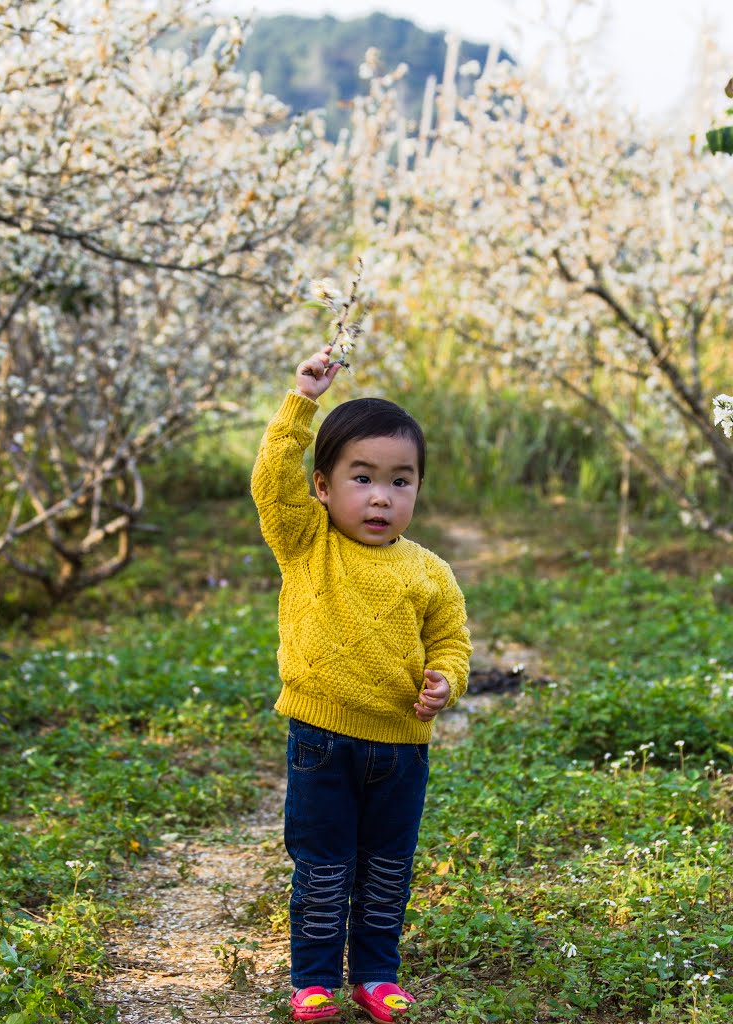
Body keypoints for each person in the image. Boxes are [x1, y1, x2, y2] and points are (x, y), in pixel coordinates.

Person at [251, 345, 472, 1023]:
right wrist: (302, 403)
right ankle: (313, 979)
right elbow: (270, 481)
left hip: (401, 747)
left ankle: (376, 973)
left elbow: (451, 642)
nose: (381, 496)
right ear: (322, 485)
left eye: (401, 481)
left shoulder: (429, 570)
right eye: (362, 478)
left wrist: (447, 682)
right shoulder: (305, 540)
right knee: (322, 867)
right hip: (321, 740)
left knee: (385, 869)